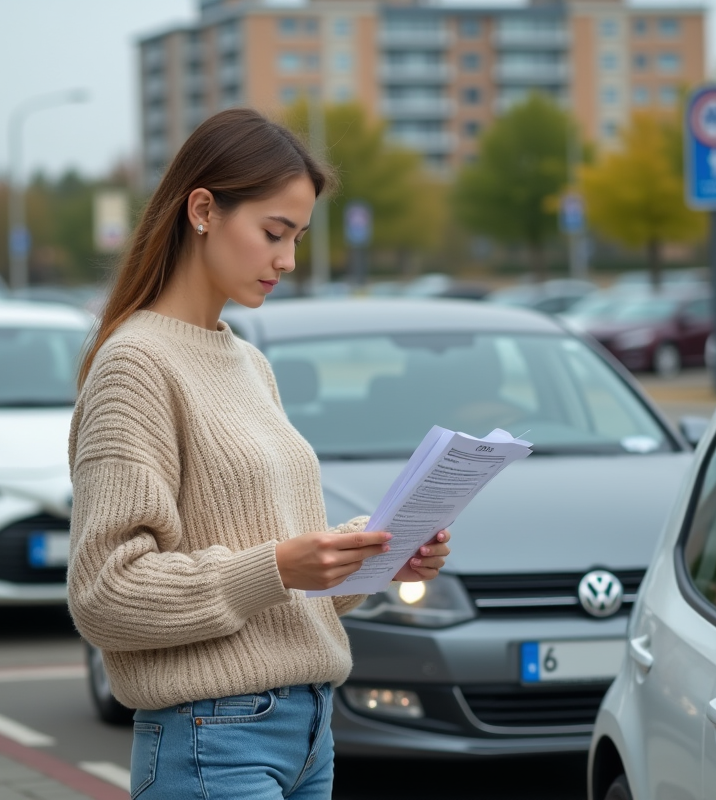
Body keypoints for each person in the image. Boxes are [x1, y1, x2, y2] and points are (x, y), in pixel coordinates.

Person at [67, 108, 451, 799]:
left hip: (309, 730)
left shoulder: (248, 362)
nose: (288, 261)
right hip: (214, 737)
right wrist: (276, 566)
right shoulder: (135, 365)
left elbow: (284, 586)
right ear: (204, 210)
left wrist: (374, 558)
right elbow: (105, 594)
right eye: (274, 233)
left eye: (298, 238)